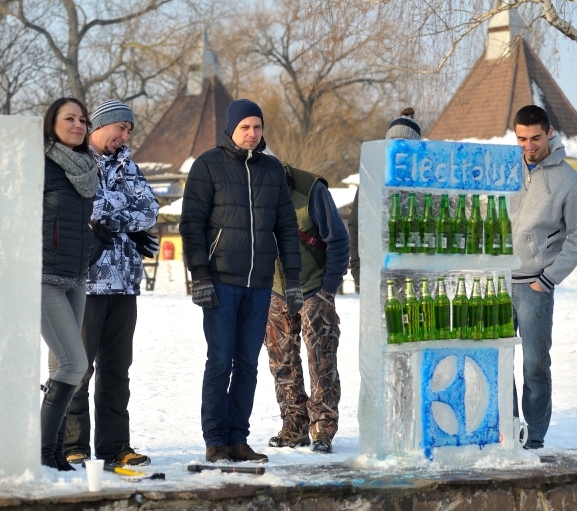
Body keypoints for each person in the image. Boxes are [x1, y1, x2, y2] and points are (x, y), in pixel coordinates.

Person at [180, 99, 303, 464]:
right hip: (220, 282)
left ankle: (237, 438)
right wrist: (199, 275)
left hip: (260, 283)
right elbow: (192, 225)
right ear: (232, 128)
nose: (252, 133)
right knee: (220, 361)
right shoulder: (207, 166)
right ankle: (215, 439)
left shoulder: (272, 171)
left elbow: (286, 228)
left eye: (258, 127)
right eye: (245, 127)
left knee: (247, 364)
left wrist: (292, 280)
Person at [50, 99, 160, 467]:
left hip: (125, 283)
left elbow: (150, 210)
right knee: (77, 368)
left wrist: (116, 221)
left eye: (129, 130)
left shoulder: (129, 166)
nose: (125, 135)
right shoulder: (77, 162)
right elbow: (88, 207)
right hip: (86, 282)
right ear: (100, 126)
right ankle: (72, 444)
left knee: (117, 371)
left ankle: (115, 448)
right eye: (120, 128)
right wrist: (120, 216)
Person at [511, 105, 577, 449]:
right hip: (497, 283)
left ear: (550, 132)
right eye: (522, 139)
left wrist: (548, 278)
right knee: (497, 363)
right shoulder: (504, 170)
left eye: (535, 138)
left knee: (535, 365)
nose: (528, 146)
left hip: (534, 285)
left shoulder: (568, 181)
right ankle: (509, 430)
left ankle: (536, 435)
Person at [265, 162, 349, 453]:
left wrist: (328, 287)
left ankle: (323, 428)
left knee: (321, 360)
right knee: (281, 362)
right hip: (275, 288)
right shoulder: (251, 189)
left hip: (313, 286)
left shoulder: (311, 189)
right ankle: (294, 426)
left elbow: (338, 239)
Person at [39, 97, 98, 471]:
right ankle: (42, 453)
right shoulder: (39, 164)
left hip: (76, 276)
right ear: (52, 123)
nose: (78, 125)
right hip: (43, 275)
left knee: (64, 365)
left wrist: (97, 240)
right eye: (69, 118)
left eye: (82, 119)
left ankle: (56, 451)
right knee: (75, 364)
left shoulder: (86, 168)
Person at [349, 107, 422, 286]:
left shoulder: (427, 184)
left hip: (419, 276)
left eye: (404, 142)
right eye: (393, 142)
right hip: (378, 273)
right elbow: (356, 226)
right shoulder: (372, 180)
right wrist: (358, 268)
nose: (398, 147)